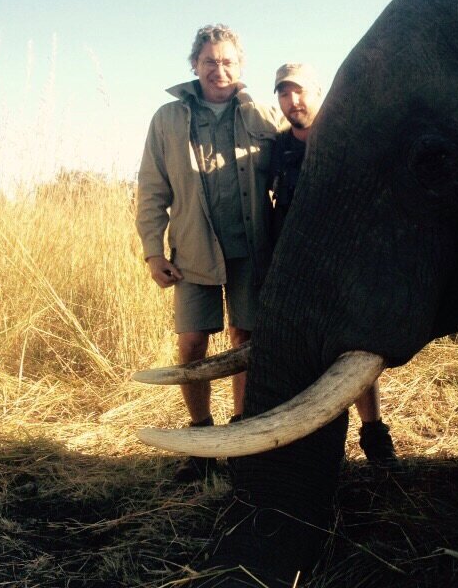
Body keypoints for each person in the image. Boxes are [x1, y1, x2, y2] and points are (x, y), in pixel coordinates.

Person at [136, 25, 283, 482]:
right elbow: (152, 190)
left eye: (227, 62)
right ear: (194, 65)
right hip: (192, 251)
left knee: (246, 342)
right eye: (209, 62)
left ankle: (242, 436)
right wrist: (152, 251)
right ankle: (200, 438)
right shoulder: (167, 119)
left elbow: (293, 171)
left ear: (240, 66)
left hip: (251, 251)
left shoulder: (262, 114)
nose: (218, 70)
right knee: (193, 344)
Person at [270, 62, 398, 466]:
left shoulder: (347, 136)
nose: (294, 101)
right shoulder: (276, 149)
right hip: (296, 273)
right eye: (284, 94)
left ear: (319, 91)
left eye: (300, 91)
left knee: (353, 356)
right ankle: (313, 453)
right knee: (302, 360)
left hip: (345, 270)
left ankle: (375, 438)